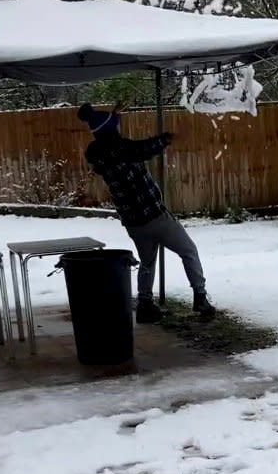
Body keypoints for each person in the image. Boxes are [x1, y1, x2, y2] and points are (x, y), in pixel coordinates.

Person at [78, 104, 215, 322]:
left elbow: (115, 137)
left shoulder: (100, 155)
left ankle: (145, 304)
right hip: (155, 217)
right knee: (188, 251)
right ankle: (200, 297)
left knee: (147, 261)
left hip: (134, 224)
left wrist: (112, 116)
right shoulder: (122, 149)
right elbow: (144, 148)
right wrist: (166, 138)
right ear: (111, 130)